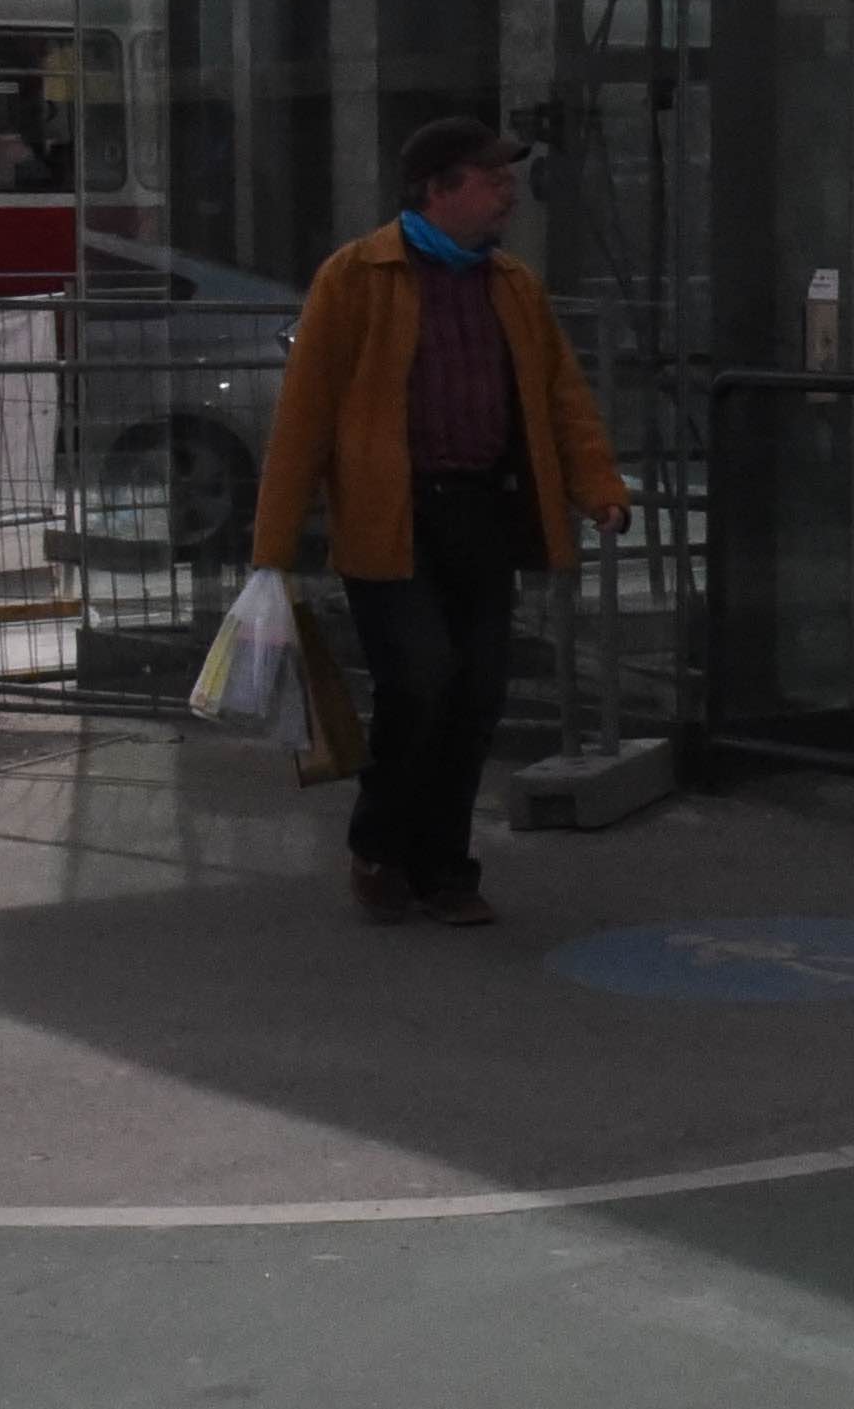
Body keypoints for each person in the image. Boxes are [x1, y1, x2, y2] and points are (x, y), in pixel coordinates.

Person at [247, 120, 629, 927]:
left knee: (477, 693)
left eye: (508, 180)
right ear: (438, 190)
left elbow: (562, 396)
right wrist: (271, 549)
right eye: (493, 181)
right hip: (392, 522)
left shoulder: (512, 285)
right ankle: (381, 848)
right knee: (420, 681)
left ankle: (445, 868)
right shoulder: (357, 277)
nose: (509, 195)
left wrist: (599, 487)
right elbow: (304, 417)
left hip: (482, 513)